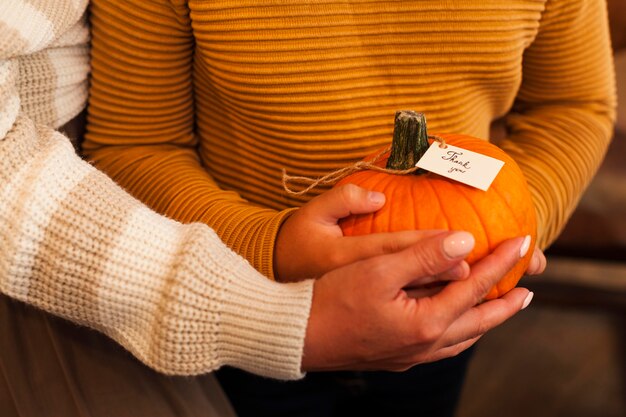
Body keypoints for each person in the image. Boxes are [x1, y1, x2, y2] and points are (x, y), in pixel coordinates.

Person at [0, 1, 545, 416]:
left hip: (450, 315)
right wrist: (273, 247)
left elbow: (573, 105)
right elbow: (137, 144)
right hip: (239, 304)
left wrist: (513, 218)